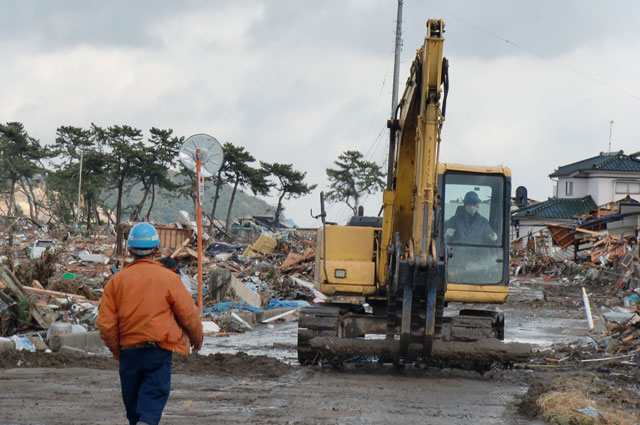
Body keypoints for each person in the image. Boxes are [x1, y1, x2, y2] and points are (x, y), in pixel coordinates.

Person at [97, 222, 203, 425]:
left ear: (130, 251)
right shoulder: (169, 279)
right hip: (158, 352)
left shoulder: (116, 282)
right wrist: (196, 340)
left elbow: (106, 325)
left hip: (129, 353)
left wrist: (118, 351)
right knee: (151, 406)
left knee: (134, 410)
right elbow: (189, 315)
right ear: (156, 250)